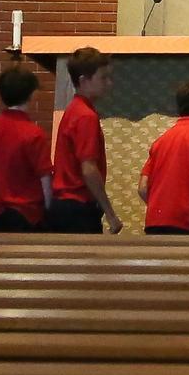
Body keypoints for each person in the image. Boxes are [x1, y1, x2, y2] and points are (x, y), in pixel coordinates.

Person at [48, 46, 120, 234]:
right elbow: (88, 168)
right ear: (83, 81)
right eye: (103, 78)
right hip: (78, 207)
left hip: (65, 205)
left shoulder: (73, 109)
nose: (109, 83)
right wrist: (110, 213)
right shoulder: (85, 116)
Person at [139, 80, 189, 235]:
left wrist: (159, 207)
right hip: (184, 220)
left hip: (154, 221)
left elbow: (143, 187)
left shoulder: (161, 141)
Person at [0, 64, 52, 233]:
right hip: (28, 215)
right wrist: (50, 212)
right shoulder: (33, 133)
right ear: (32, 94)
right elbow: (45, 179)